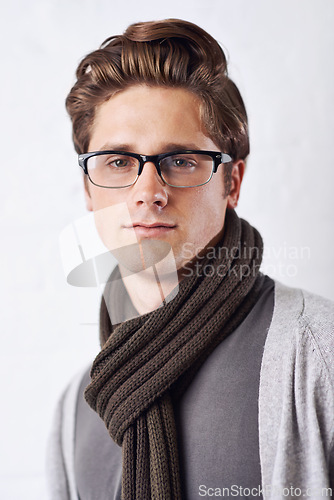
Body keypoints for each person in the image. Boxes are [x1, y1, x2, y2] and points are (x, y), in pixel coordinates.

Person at [47, 19, 334, 500]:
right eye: (119, 162)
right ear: (88, 190)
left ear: (232, 183)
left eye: (180, 160)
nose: (147, 193)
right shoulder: (75, 413)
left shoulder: (317, 354)